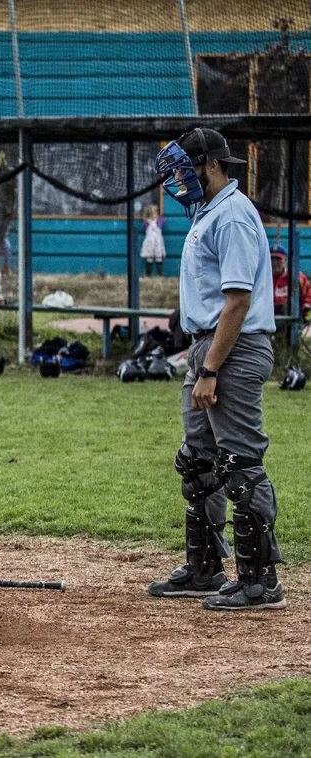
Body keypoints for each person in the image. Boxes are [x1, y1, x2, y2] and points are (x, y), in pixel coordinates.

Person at [148, 128, 285, 611]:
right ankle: (205, 569)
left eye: (184, 166)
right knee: (198, 462)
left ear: (210, 164)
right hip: (208, 349)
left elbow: (239, 302)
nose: (177, 179)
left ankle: (260, 582)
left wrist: (210, 369)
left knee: (240, 465)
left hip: (233, 350)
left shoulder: (231, 216)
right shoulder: (205, 213)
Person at [270, 245, 311, 321]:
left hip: (291, 322)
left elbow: (308, 295)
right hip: (267, 320)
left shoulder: (297, 277)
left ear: (285, 260)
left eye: (278, 259)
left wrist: (306, 305)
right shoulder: (261, 278)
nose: (274, 262)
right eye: (272, 259)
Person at [140, 203, 167, 277]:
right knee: (149, 259)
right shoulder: (146, 222)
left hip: (157, 242)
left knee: (158, 258)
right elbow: (143, 226)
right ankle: (149, 275)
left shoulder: (159, 220)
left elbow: (164, 220)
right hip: (150, 243)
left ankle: (160, 275)